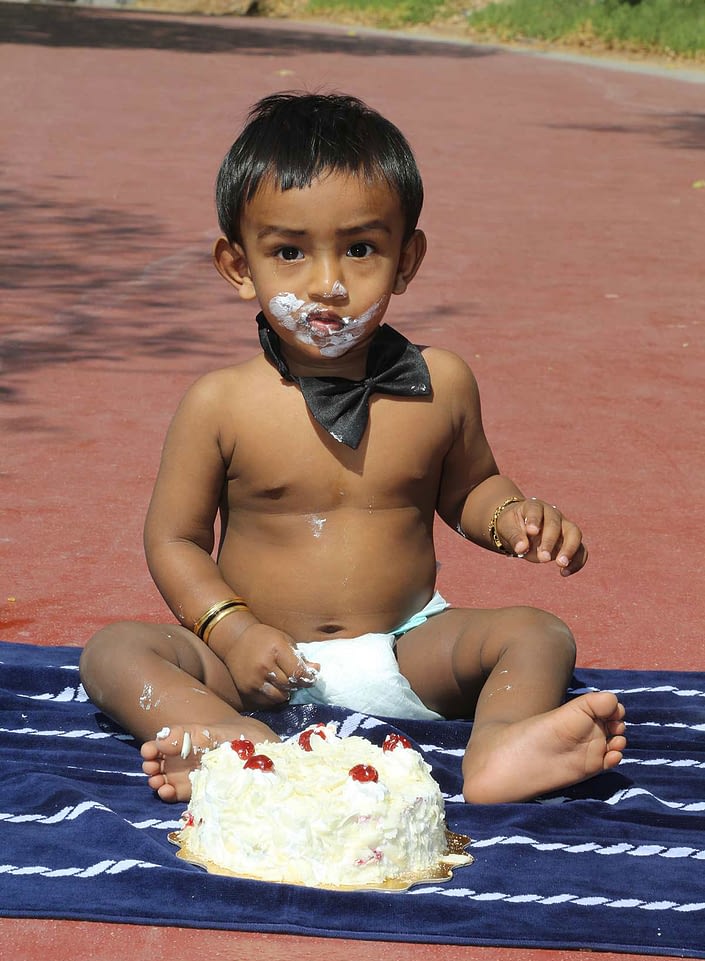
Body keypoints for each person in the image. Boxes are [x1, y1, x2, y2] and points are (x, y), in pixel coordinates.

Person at [79, 91, 626, 806]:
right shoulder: (220, 402)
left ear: (406, 260)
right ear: (238, 265)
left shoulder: (441, 383)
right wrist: (233, 630)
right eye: (288, 252)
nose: (327, 283)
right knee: (115, 652)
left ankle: (500, 750)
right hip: (254, 665)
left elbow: (471, 489)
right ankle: (237, 742)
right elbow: (175, 541)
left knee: (537, 634)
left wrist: (514, 517)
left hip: (405, 647)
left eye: (361, 249)